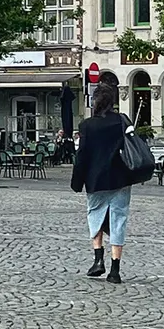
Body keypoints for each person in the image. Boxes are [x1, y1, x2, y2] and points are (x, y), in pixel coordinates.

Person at [71, 81, 139, 284]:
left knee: (96, 216)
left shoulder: (87, 126)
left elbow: (82, 155)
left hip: (96, 179)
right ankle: (115, 270)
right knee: (119, 219)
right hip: (121, 178)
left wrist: (77, 181)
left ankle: (98, 259)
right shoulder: (122, 121)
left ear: (95, 102)